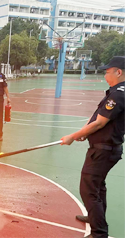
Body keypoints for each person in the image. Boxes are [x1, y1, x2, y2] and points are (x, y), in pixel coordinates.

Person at [61, 56, 125, 238]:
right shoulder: (117, 90)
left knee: (88, 189)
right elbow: (98, 120)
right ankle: (95, 217)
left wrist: (73, 137)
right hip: (107, 148)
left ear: (118, 72)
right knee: (98, 186)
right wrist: (84, 133)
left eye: (107, 72)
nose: (105, 75)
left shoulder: (119, 93)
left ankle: (99, 233)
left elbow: (99, 123)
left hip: (104, 150)